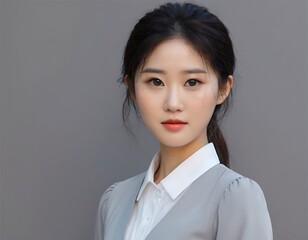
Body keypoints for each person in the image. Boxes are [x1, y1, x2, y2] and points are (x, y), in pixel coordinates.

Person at [95, 2, 272, 240]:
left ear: (223, 89)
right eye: (156, 82)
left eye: (192, 82)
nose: (173, 103)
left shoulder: (235, 197)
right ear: (133, 88)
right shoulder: (114, 200)